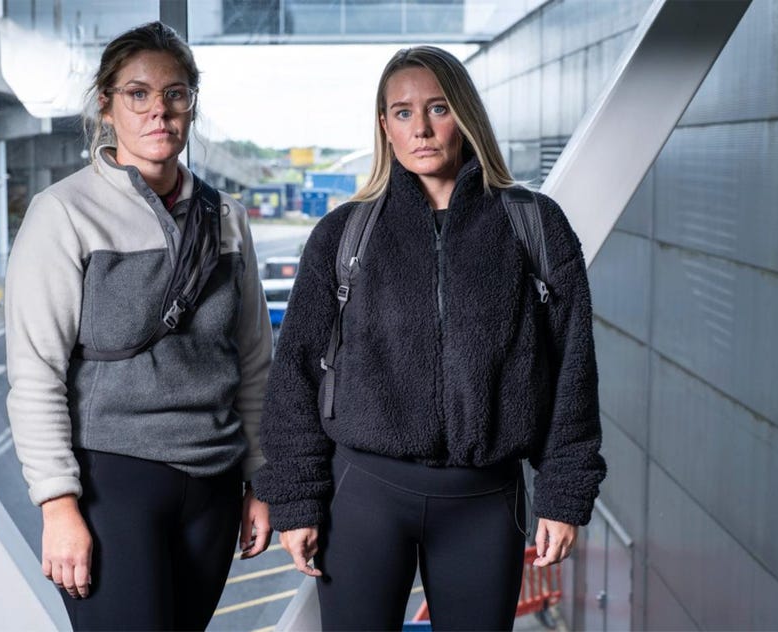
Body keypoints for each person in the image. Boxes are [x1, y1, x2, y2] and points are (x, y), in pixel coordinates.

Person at [253, 45, 605, 631]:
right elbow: (295, 375)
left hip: (485, 503)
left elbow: (574, 371)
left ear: (465, 116)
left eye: (438, 108)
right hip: (362, 496)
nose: (420, 128)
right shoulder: (343, 234)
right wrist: (295, 498)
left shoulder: (534, 225)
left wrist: (563, 493)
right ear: (385, 127)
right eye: (402, 112)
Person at [4, 21, 272, 631]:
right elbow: (36, 373)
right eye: (138, 94)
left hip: (214, 484)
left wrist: (261, 478)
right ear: (106, 105)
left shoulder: (226, 217)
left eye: (176, 94)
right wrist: (57, 505)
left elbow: (255, 362)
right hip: (113, 483)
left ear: (191, 105)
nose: (160, 111)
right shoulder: (63, 213)